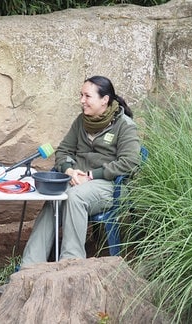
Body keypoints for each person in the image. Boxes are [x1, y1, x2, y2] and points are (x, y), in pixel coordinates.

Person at [21, 75, 141, 266]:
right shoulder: (81, 122)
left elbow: (130, 162)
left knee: (75, 197)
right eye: (81, 95)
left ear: (104, 100)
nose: (82, 101)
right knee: (55, 198)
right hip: (77, 181)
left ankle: (72, 263)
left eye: (87, 96)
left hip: (110, 186)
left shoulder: (124, 126)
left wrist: (93, 175)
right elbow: (64, 150)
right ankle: (28, 267)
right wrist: (69, 171)